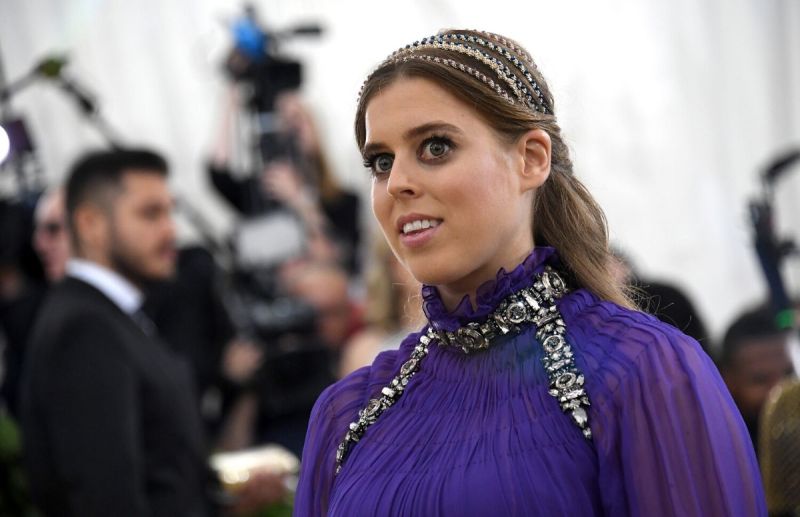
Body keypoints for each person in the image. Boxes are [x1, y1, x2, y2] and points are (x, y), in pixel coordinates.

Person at [294, 29, 766, 516]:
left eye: (435, 147)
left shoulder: (643, 371)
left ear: (531, 159)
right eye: (381, 161)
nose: (397, 183)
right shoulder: (347, 413)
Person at [21, 149, 212, 517]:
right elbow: (104, 498)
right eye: (150, 214)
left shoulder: (110, 314)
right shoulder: (84, 330)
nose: (171, 230)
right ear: (91, 225)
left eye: (169, 212)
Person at [717, 306, 794, 452]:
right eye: (761, 379)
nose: (780, 390)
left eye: (788, 375)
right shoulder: (723, 450)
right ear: (727, 381)